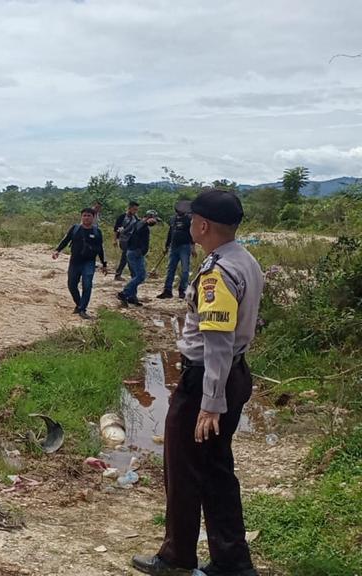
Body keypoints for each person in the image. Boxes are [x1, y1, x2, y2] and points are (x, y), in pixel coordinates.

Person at [132, 189, 264, 576]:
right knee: (216, 469)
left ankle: (177, 558)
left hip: (208, 379)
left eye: (192, 219)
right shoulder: (246, 260)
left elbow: (217, 343)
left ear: (203, 225)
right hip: (233, 374)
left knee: (184, 468)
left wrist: (210, 402)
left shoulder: (217, 273)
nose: (189, 224)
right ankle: (232, 561)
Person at [53, 208, 108, 319]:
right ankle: (79, 304)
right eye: (84, 215)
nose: (86, 218)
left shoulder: (97, 232)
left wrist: (104, 264)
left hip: (89, 262)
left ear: (93, 218)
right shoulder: (75, 228)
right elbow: (66, 240)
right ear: (81, 217)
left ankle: (82, 309)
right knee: (71, 285)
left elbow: (101, 249)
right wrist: (57, 250)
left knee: (87, 285)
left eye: (89, 216)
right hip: (74, 262)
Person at [117, 209, 159, 307]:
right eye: (155, 220)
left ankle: (132, 297)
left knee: (135, 275)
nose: (155, 223)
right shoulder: (140, 224)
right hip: (135, 253)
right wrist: (145, 223)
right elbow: (139, 228)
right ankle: (124, 293)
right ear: (150, 217)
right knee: (140, 276)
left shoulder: (137, 223)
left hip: (133, 252)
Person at [158, 201, 195, 299]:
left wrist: (193, 247)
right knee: (170, 269)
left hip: (185, 246)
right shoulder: (173, 219)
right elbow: (170, 233)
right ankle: (167, 290)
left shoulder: (188, 220)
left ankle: (182, 290)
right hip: (173, 246)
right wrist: (166, 245)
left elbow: (192, 234)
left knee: (185, 270)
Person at [113, 201, 140, 281]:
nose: (135, 211)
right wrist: (114, 240)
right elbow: (115, 229)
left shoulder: (135, 218)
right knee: (127, 256)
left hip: (132, 240)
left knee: (126, 257)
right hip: (123, 239)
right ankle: (133, 275)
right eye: (134, 209)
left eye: (136, 210)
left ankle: (119, 274)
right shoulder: (122, 217)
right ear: (129, 208)